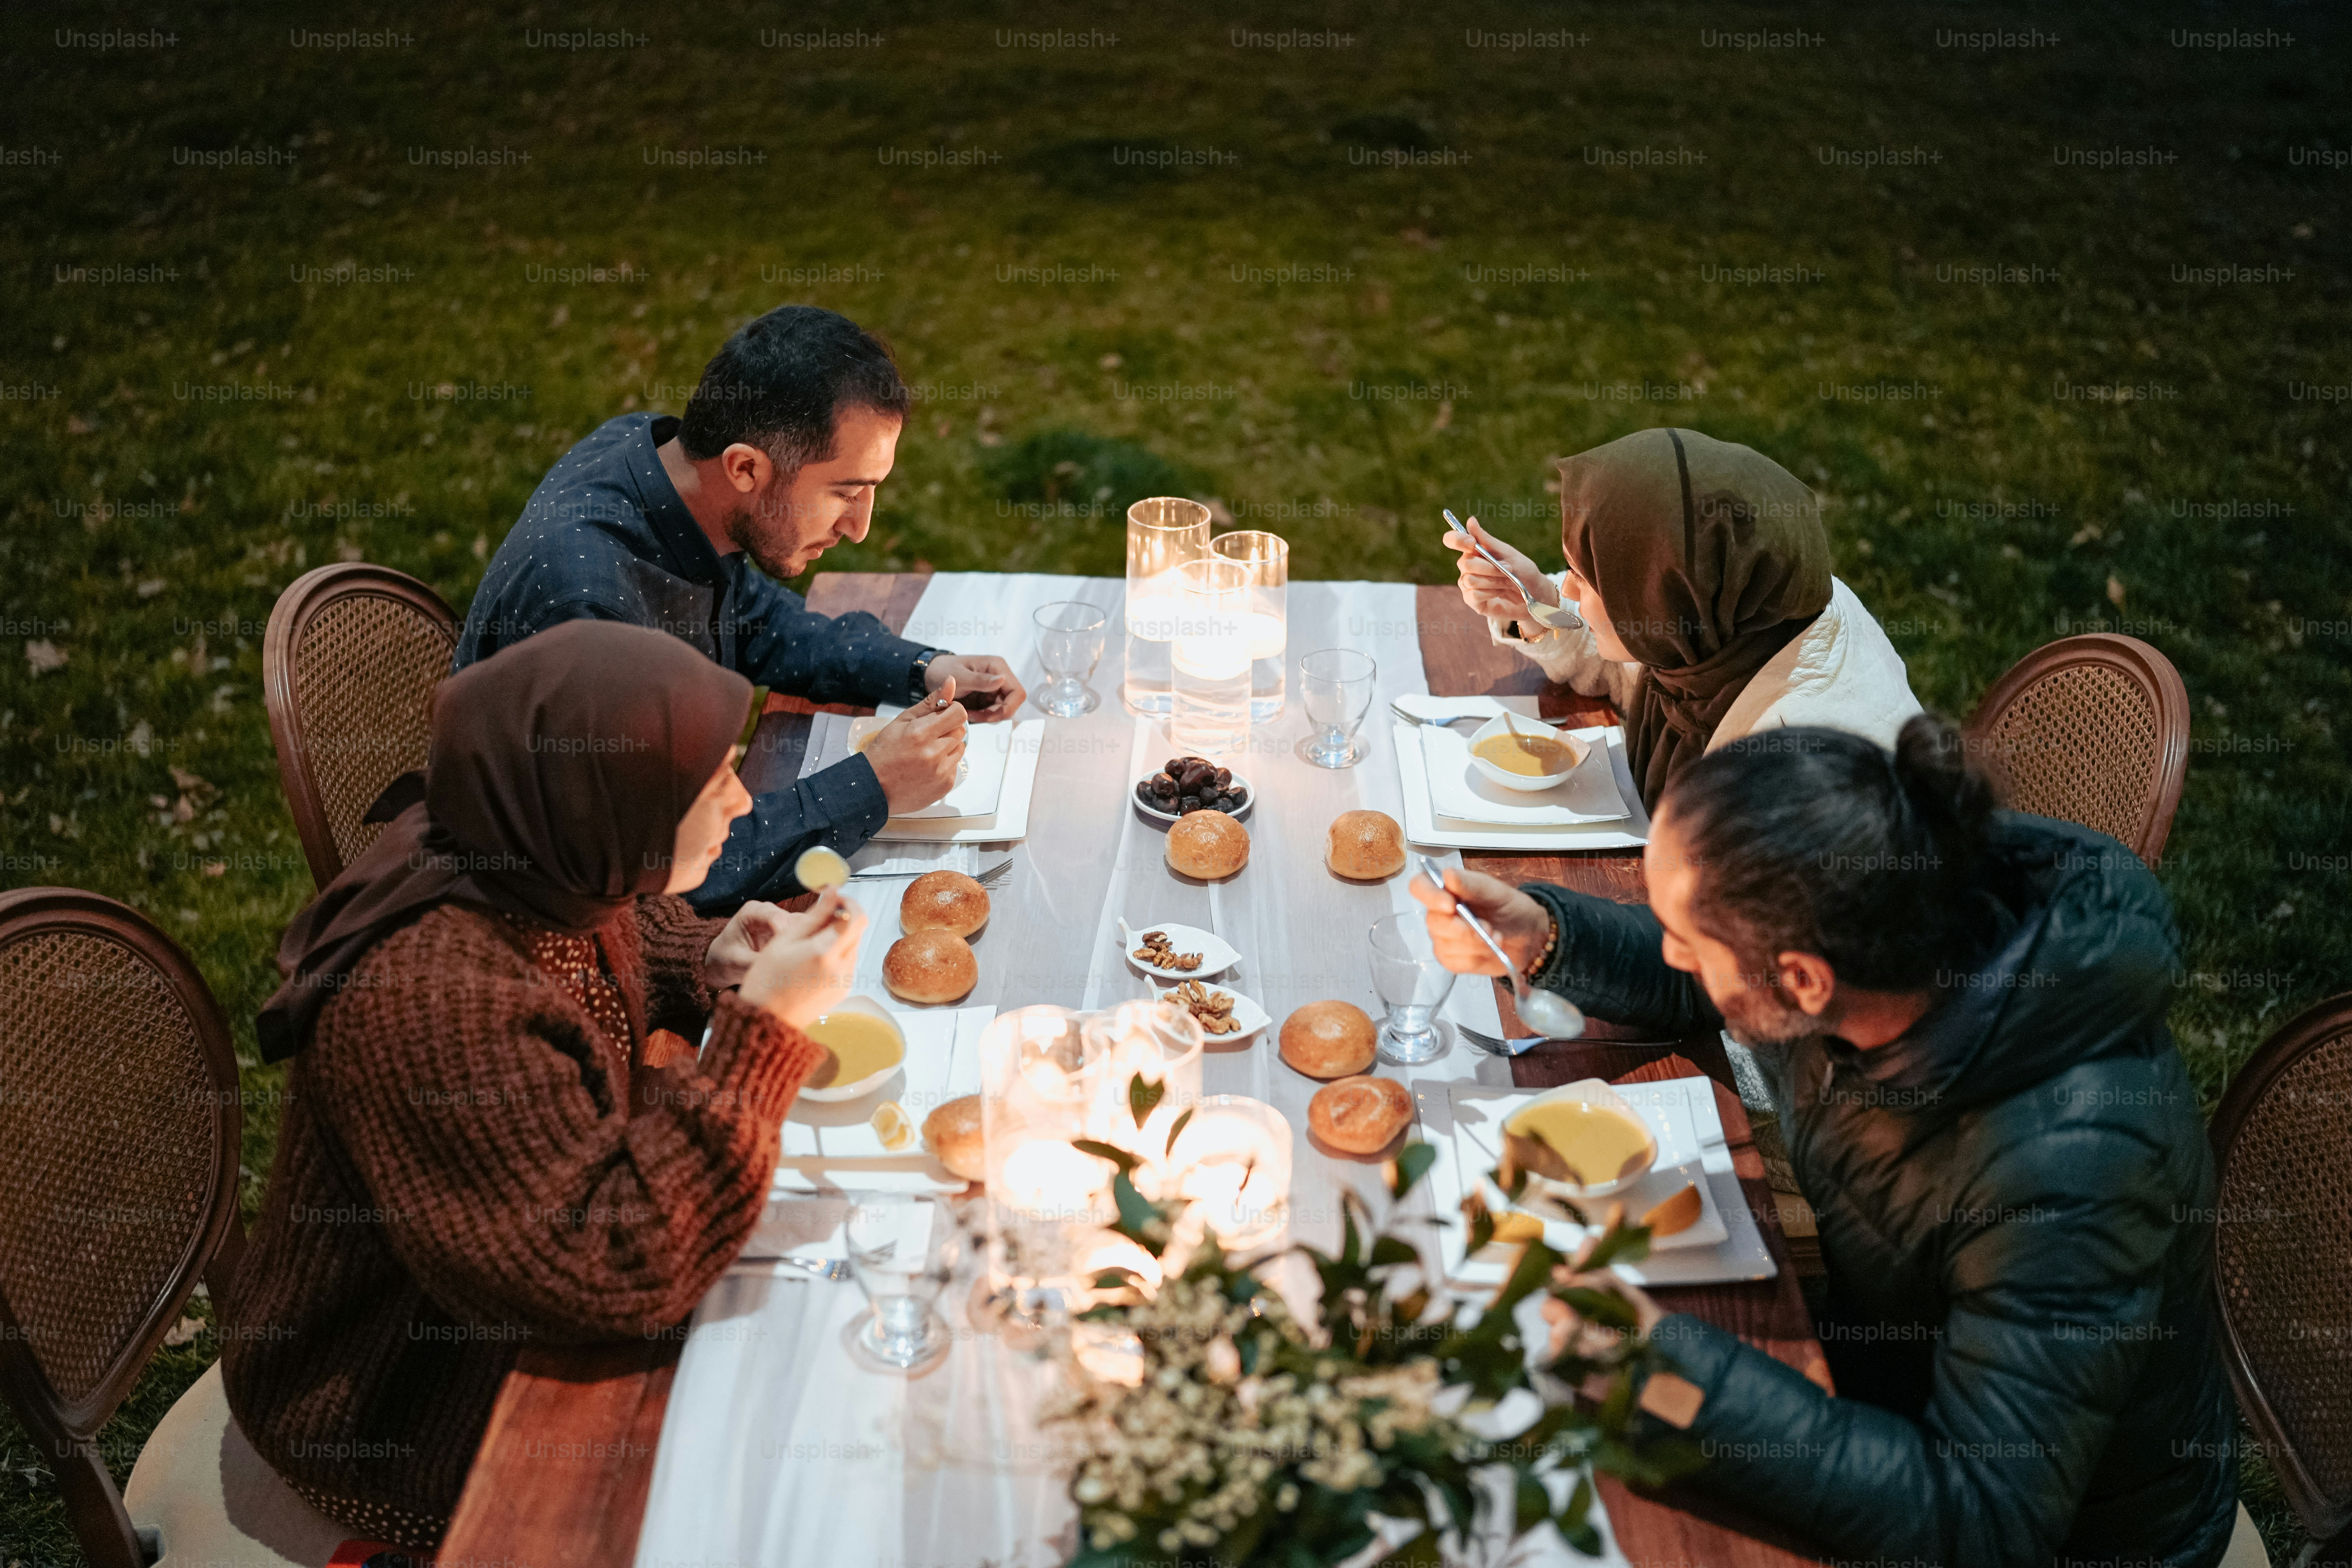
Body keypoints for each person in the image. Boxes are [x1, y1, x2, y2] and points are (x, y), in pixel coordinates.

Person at [1412, 716, 2242, 1566]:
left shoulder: (2071, 1169)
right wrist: (1549, 938)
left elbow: (1984, 1520)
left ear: (1806, 980)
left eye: (1685, 937)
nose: (1672, 950)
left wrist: (1664, 1368)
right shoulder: (1885, 914)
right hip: (1878, 1370)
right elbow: (1729, 975)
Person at [224, 621, 865, 1552]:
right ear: (604, 798)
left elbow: (621, 933)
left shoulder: (528, 855)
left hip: (501, 1288)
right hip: (400, 1403)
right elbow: (610, 1269)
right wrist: (760, 1039)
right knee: (785, 1456)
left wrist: (709, 954)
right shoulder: (435, 1004)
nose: (737, 804)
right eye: (711, 781)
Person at [455, 303, 1026, 911]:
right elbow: (666, 871)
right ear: (745, 467)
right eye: (845, 491)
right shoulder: (590, 611)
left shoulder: (670, 471)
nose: (860, 527)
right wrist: (875, 784)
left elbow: (752, 618)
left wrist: (921, 668)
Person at [1447, 426, 1920, 810]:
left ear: (1662, 599)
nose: (1570, 589)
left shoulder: (1791, 765)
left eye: (1585, 578)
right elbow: (1627, 662)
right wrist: (1540, 602)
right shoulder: (1739, 607)